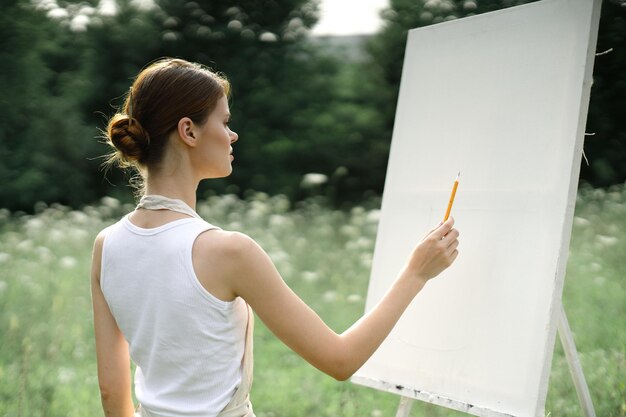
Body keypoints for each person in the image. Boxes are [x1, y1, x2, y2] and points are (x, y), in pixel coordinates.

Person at [91, 57, 460, 417]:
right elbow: (340, 359)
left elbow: (112, 392)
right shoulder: (228, 251)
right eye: (225, 121)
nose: (233, 135)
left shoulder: (106, 245)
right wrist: (416, 273)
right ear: (189, 131)